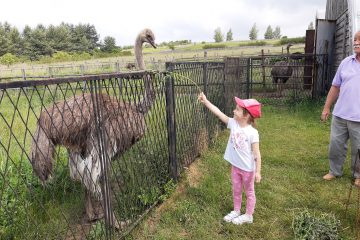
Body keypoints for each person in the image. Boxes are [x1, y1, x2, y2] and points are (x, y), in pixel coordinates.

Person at [198, 92, 262, 225]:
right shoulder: (233, 123)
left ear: (246, 115)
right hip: (235, 167)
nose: (234, 110)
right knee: (236, 189)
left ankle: (249, 215)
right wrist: (206, 101)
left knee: (249, 191)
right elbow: (219, 113)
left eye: (237, 109)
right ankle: (236, 210)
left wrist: (258, 172)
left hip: (248, 170)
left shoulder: (253, 133)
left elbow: (257, 154)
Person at [321, 31, 360, 187]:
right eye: (355, 39)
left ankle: (358, 175)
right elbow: (335, 86)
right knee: (335, 145)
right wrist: (326, 107)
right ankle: (334, 171)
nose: (356, 42)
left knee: (359, 149)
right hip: (340, 115)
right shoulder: (346, 62)